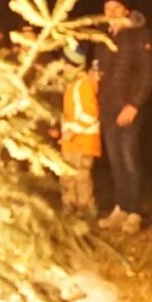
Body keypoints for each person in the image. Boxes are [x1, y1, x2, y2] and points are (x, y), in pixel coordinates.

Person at [98, 0, 152, 232]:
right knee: (115, 160)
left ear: (126, 10)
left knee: (129, 157)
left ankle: (134, 211)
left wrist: (133, 104)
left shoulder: (138, 35)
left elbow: (148, 73)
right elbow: (100, 70)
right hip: (108, 108)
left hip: (128, 108)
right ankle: (121, 207)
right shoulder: (103, 39)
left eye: (116, 8)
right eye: (107, 8)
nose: (111, 12)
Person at [58, 57, 103, 217]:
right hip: (70, 140)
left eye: (65, 63)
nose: (62, 66)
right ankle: (69, 204)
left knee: (82, 175)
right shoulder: (71, 84)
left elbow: (90, 113)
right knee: (68, 173)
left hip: (83, 139)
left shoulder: (83, 85)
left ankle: (86, 207)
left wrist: (73, 130)